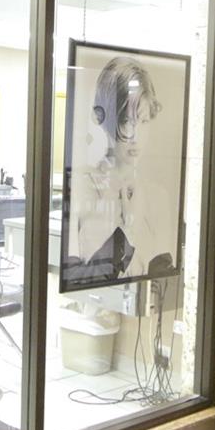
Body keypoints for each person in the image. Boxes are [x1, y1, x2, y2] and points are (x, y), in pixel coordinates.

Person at [65, 54, 172, 286]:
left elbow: (161, 285)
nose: (135, 135)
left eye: (143, 121)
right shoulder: (82, 188)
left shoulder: (157, 197)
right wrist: (128, 230)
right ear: (103, 119)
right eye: (125, 121)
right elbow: (78, 280)